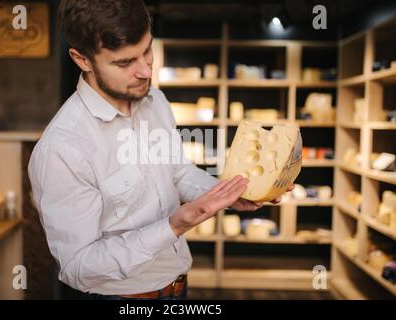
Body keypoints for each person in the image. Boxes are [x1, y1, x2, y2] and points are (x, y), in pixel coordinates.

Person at [28, 0, 290, 300]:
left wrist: (230, 193)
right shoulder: (62, 149)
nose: (145, 70)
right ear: (82, 59)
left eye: (147, 51)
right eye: (125, 62)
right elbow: (78, 266)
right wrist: (173, 226)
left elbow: (177, 172)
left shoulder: (155, 101)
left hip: (178, 288)